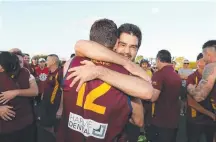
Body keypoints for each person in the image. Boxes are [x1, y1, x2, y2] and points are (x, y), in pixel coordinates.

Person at [57, 19, 152, 142]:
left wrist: (100, 71)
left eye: (133, 47)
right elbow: (139, 120)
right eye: (123, 45)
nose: (127, 52)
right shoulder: (128, 76)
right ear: (116, 42)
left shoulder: (72, 63)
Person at [0, 51, 37, 142]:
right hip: (6, 128)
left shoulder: (25, 72)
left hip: (25, 124)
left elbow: (35, 91)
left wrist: (16, 92)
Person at [147, 50, 182, 142]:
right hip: (174, 120)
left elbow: (153, 97)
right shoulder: (176, 75)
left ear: (158, 60)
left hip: (160, 121)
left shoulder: (159, 74)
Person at [187, 40, 216, 141]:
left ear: (207, 54)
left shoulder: (211, 67)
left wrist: (190, 88)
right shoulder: (193, 75)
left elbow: (199, 96)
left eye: (203, 56)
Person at [38, 54, 63, 142]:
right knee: (45, 125)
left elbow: (63, 91)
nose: (45, 62)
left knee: (55, 128)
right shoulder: (49, 72)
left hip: (54, 106)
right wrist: (43, 95)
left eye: (47, 60)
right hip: (46, 103)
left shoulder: (60, 73)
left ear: (53, 61)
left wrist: (60, 108)